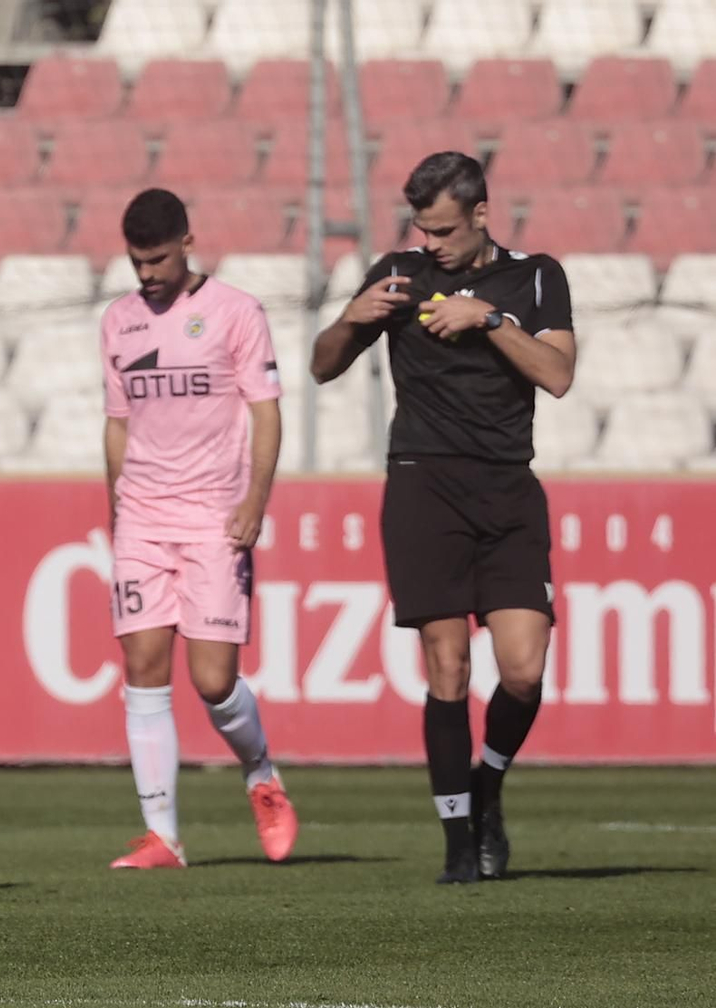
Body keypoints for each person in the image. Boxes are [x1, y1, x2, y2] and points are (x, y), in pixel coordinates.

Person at [311, 151, 575, 884]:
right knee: (447, 661)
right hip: (423, 484)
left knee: (523, 670)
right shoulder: (400, 274)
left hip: (507, 488)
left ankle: (487, 784)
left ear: (481, 214)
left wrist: (487, 318)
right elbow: (323, 366)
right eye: (423, 229)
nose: (431, 243)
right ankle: (459, 843)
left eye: (445, 230)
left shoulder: (536, 276)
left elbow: (557, 375)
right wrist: (349, 319)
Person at [101, 188, 298, 870]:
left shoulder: (236, 312)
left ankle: (261, 773)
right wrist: (117, 512)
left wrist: (255, 500)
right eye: (137, 262)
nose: (147, 273)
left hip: (215, 515)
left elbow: (266, 411)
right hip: (143, 516)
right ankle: (163, 836)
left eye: (157, 259)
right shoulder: (119, 321)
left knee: (213, 680)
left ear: (187, 243)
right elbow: (118, 423)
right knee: (143, 667)